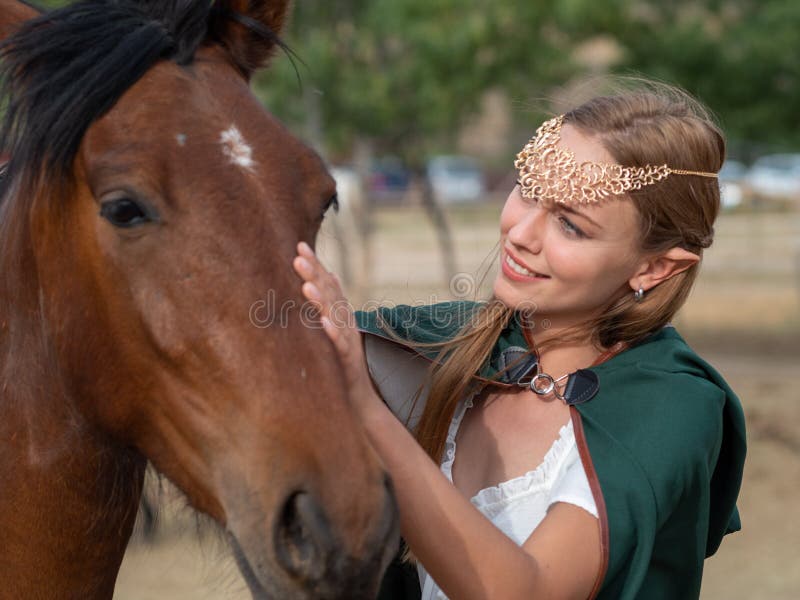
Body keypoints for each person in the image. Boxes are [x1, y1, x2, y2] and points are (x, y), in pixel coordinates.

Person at [292, 84, 746, 600]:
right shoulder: (443, 343)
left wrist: (368, 411)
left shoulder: (672, 407)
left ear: (654, 267)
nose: (521, 232)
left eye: (571, 226)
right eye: (528, 189)